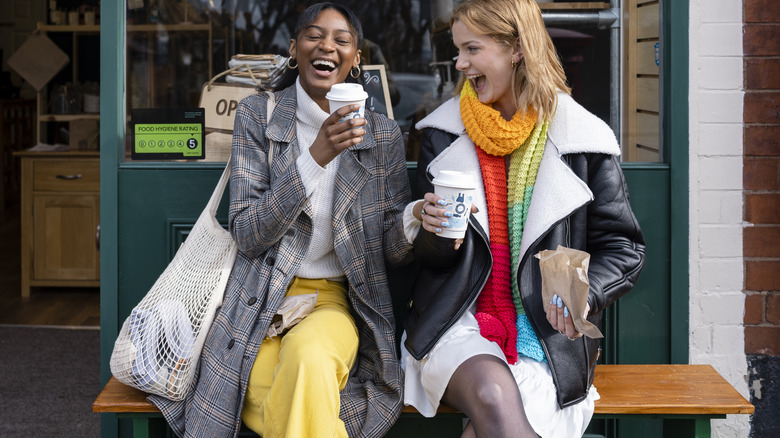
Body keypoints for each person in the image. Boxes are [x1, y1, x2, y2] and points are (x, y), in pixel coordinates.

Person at [150, 3, 414, 437]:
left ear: (356, 58)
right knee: (299, 390)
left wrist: (413, 221)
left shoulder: (381, 135)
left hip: (332, 300)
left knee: (309, 361)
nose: (326, 45)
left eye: (341, 40)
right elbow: (249, 233)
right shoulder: (258, 115)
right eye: (313, 35)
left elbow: (390, 248)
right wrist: (315, 157)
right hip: (258, 301)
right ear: (294, 48)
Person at [399, 0, 646, 437]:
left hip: (549, 335)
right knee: (494, 394)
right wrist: (433, 231)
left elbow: (623, 247)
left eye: (472, 49)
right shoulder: (443, 135)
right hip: (458, 320)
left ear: (515, 48)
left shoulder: (581, 139)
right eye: (458, 50)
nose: (460, 64)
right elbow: (432, 263)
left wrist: (584, 296)